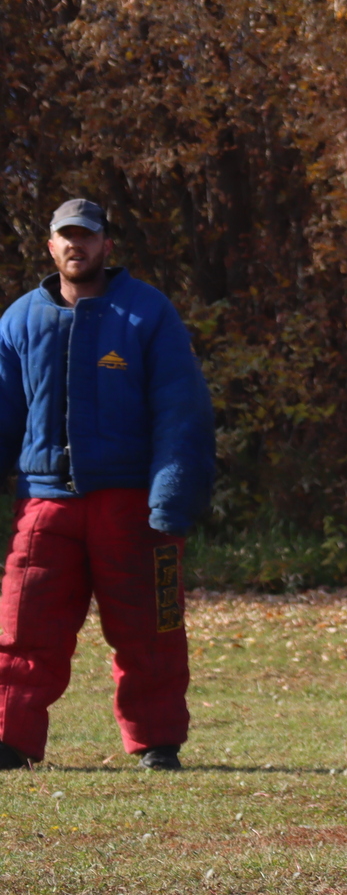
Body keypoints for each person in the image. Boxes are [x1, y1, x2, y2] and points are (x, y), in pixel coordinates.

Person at [0, 199, 216, 771]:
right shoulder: (19, 320)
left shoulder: (148, 313)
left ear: (106, 245)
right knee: (24, 628)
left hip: (131, 504)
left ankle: (157, 743)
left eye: (87, 236)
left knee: (150, 629)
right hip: (45, 502)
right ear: (50, 245)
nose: (77, 246)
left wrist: (171, 493)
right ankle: (10, 740)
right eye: (66, 237)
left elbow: (181, 408)